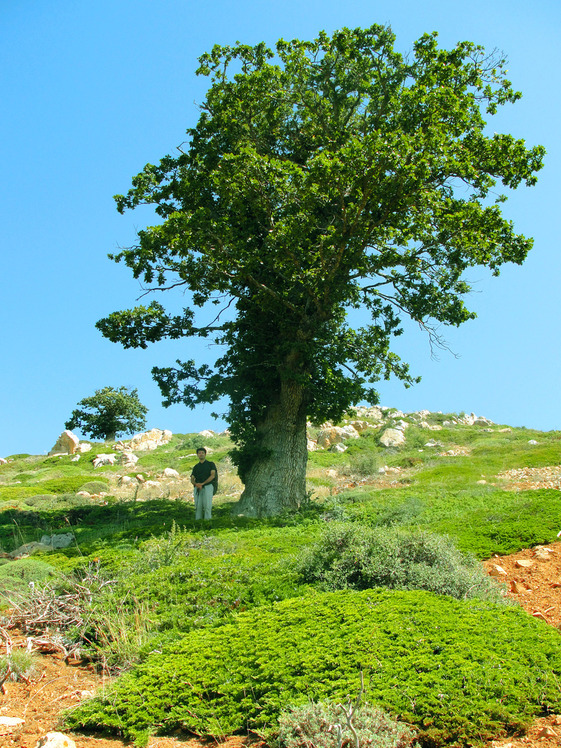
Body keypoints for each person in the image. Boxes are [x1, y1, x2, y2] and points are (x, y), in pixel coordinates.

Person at [190, 447, 216, 520]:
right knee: (198, 506)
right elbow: (192, 478)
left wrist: (203, 483)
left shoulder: (211, 464)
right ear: (197, 455)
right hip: (198, 487)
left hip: (208, 486)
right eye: (199, 453)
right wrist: (196, 484)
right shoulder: (196, 467)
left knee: (207, 506)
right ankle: (198, 522)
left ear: (205, 454)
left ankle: (208, 523)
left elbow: (212, 475)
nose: (201, 454)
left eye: (202, 453)